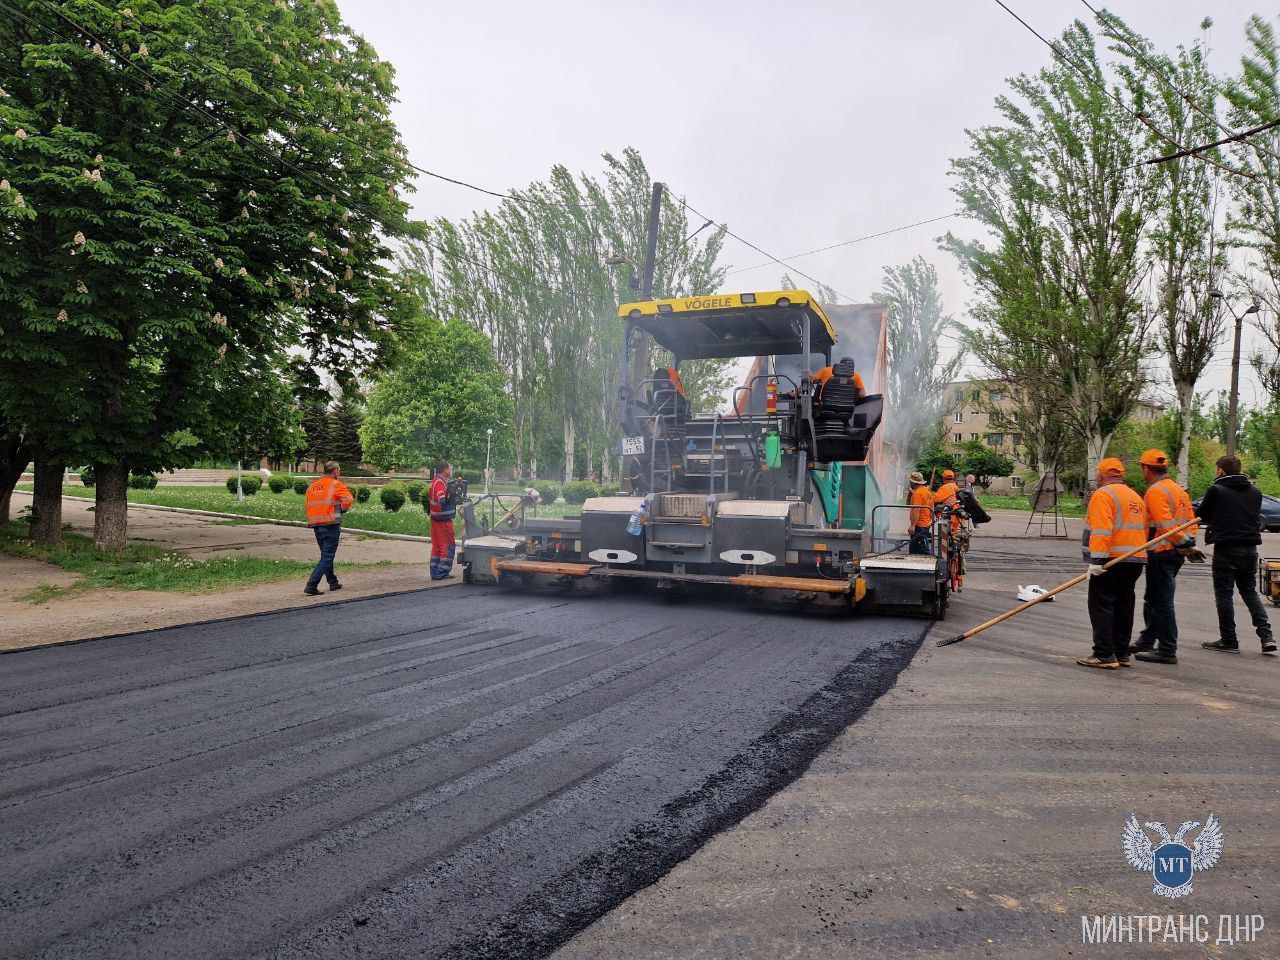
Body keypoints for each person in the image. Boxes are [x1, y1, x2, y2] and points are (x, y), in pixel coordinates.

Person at [1197, 455, 1275, 654]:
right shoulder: (1255, 492)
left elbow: (1203, 514)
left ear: (1221, 471)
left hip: (1226, 549)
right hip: (1250, 550)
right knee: (1249, 592)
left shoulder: (1216, 490)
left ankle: (1229, 640)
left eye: (1217, 470)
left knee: (1224, 595)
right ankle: (1266, 637)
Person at [1077, 457, 1148, 669]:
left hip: (1111, 559)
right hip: (1135, 558)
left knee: (1102, 605)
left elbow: (1102, 529)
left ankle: (1104, 654)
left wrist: (1096, 560)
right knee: (1124, 604)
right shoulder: (1135, 496)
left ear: (1101, 475)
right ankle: (1121, 651)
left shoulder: (1103, 494)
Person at [1130, 450, 1198, 664]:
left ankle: (1167, 649)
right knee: (1153, 598)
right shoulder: (1178, 490)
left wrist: (1179, 542)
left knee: (1162, 601)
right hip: (1176, 551)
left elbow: (1163, 523)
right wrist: (1188, 543)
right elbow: (1190, 521)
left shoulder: (1156, 491)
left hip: (1162, 552)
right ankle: (1147, 639)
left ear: (1145, 469)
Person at [303, 460, 354, 596]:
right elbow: (348, 500)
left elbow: (307, 504)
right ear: (335, 471)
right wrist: (341, 510)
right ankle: (311, 585)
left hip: (316, 525)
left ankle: (333, 582)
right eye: (339, 470)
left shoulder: (313, 486)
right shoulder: (336, 485)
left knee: (326, 555)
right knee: (327, 556)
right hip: (331, 525)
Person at [428, 460, 458, 581]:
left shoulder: (434, 481)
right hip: (443, 520)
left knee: (437, 547)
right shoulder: (440, 483)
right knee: (447, 546)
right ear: (445, 470)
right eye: (450, 468)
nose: (451, 471)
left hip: (435, 519)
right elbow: (442, 499)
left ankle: (435, 572)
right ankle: (442, 572)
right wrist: (452, 497)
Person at [906, 471, 933, 555]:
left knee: (921, 549)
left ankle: (928, 564)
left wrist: (912, 525)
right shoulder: (927, 492)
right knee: (915, 548)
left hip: (919, 525)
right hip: (926, 523)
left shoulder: (917, 494)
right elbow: (931, 508)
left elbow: (916, 510)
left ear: (912, 482)